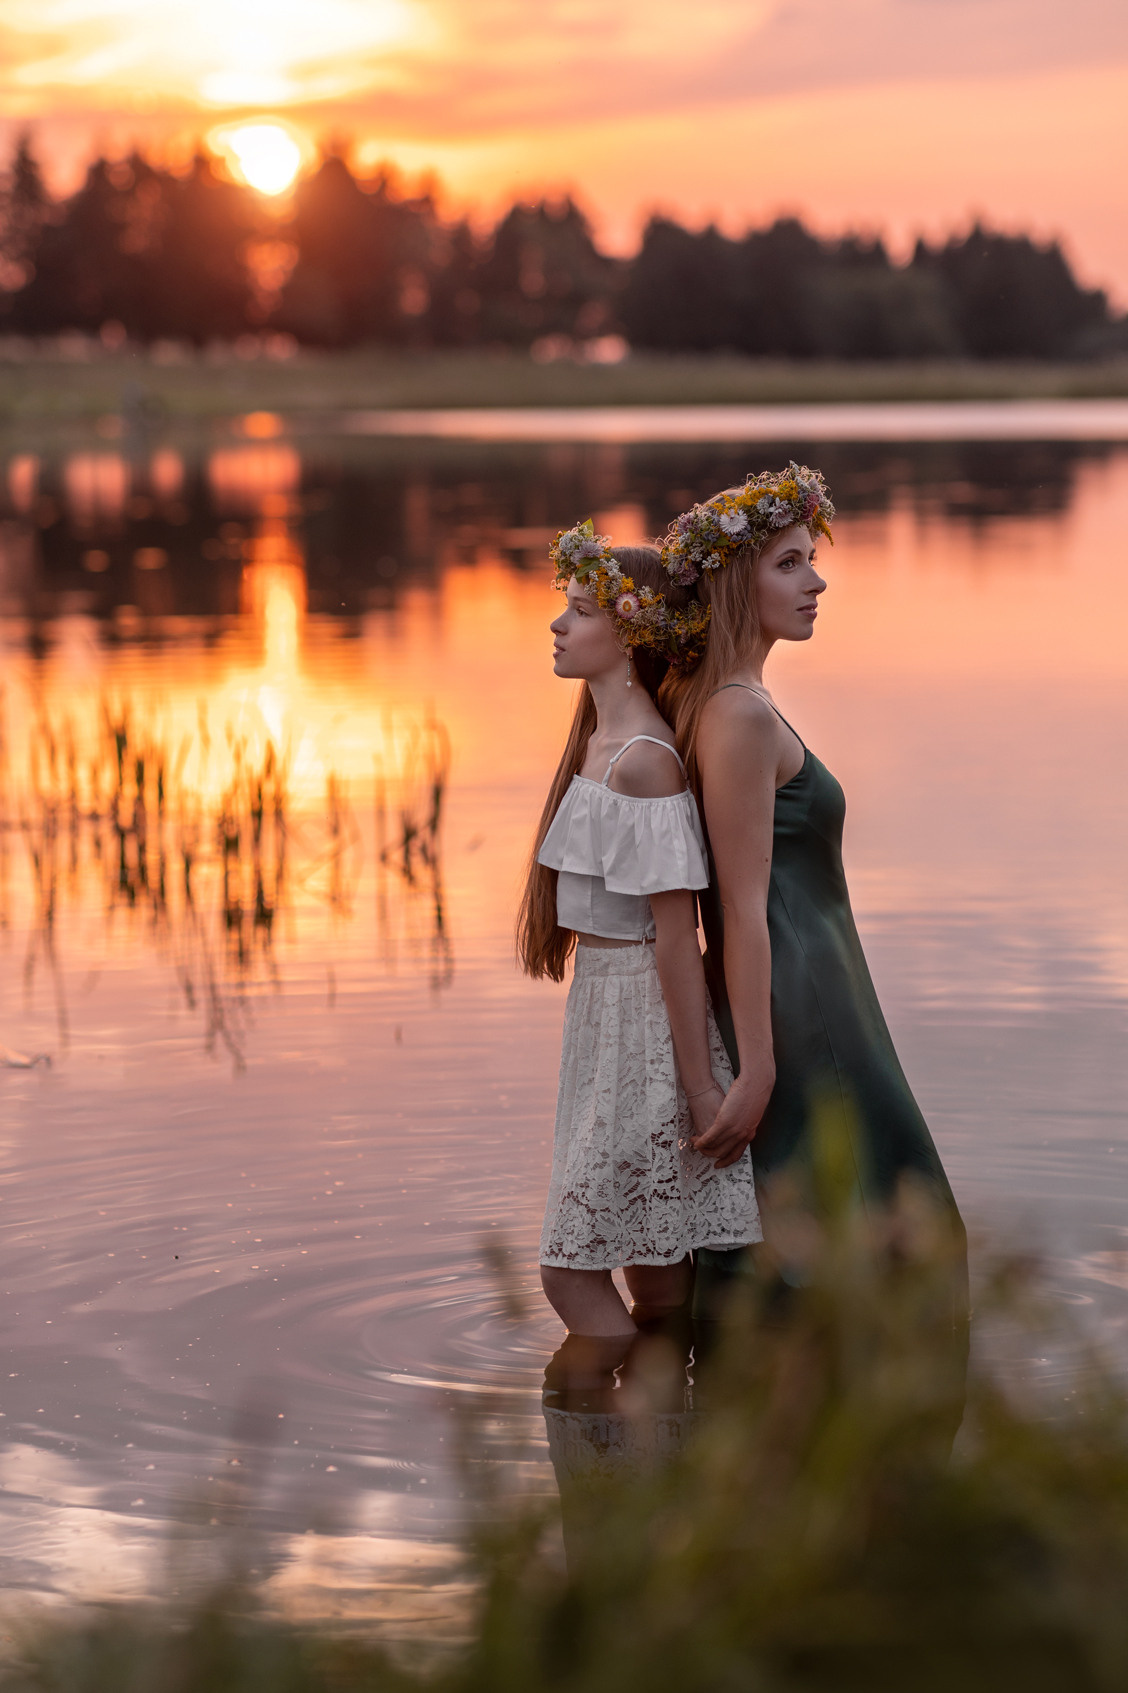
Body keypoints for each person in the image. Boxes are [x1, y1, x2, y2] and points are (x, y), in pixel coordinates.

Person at [660, 466, 966, 1307]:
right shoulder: (739, 712)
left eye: (810, 560)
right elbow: (740, 904)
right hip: (801, 998)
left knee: (872, 1214)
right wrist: (757, 1064)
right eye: (789, 563)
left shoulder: (731, 698)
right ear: (734, 581)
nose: (816, 580)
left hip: (820, 982)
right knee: (883, 1227)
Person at [517, 521, 761, 1353]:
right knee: (654, 1266)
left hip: (642, 1024)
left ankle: (606, 1433)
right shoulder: (595, 746)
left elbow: (674, 938)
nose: (558, 625)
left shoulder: (646, 760)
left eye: (579, 611)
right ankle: (677, 1427)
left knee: (569, 1267)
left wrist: (699, 1088)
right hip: (601, 1010)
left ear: (629, 637)